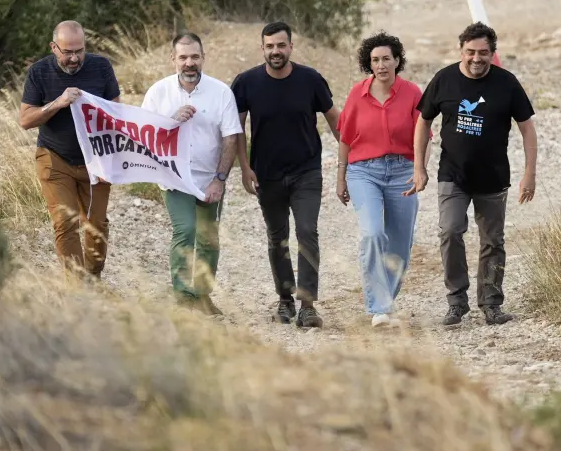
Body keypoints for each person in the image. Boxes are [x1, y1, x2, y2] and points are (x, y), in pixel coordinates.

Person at [407, 21, 538, 327]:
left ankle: (491, 304)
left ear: (493, 53)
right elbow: (423, 122)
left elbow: (527, 129)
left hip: (493, 178)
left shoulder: (506, 83)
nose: (477, 58)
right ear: (461, 51)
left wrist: (529, 173)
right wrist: (419, 168)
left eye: (483, 53)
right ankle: (456, 301)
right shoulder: (444, 79)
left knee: (493, 241)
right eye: (470, 52)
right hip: (453, 175)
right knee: (450, 232)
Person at [230, 21, 340, 329]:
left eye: (281, 45)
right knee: (277, 238)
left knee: (307, 232)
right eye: (270, 46)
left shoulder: (311, 80)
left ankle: (307, 305)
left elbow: (335, 121)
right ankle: (285, 298)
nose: (275, 51)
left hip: (307, 170)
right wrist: (244, 167)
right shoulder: (246, 83)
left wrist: (351, 160)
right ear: (262, 48)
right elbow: (236, 128)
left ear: (291, 46)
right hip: (267, 175)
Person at [141, 32, 242, 316]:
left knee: (208, 238)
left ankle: (203, 296)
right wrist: (171, 121)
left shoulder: (221, 92)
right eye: (183, 57)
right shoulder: (158, 93)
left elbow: (231, 137)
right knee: (184, 231)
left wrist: (219, 180)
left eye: (195, 57)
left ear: (203, 58)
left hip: (208, 178)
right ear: (173, 59)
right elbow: (143, 135)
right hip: (173, 178)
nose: (189, 63)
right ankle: (183, 297)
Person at [335, 32, 428, 328]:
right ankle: (379, 307)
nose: (381, 65)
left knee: (400, 244)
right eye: (375, 60)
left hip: (403, 170)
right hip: (364, 171)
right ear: (369, 63)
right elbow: (346, 138)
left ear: (397, 60)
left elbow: (422, 136)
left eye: (386, 58)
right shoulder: (357, 94)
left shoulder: (413, 93)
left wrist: (420, 169)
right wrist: (341, 177)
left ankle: (384, 300)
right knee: (373, 233)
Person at [19, 20, 121, 280]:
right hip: (54, 158)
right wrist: (58, 102)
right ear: (54, 47)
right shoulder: (39, 72)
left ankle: (93, 275)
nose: (75, 58)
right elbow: (26, 120)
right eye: (68, 52)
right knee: (65, 222)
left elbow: (117, 112)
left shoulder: (101, 67)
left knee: (96, 224)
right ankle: (78, 286)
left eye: (80, 50)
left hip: (95, 159)